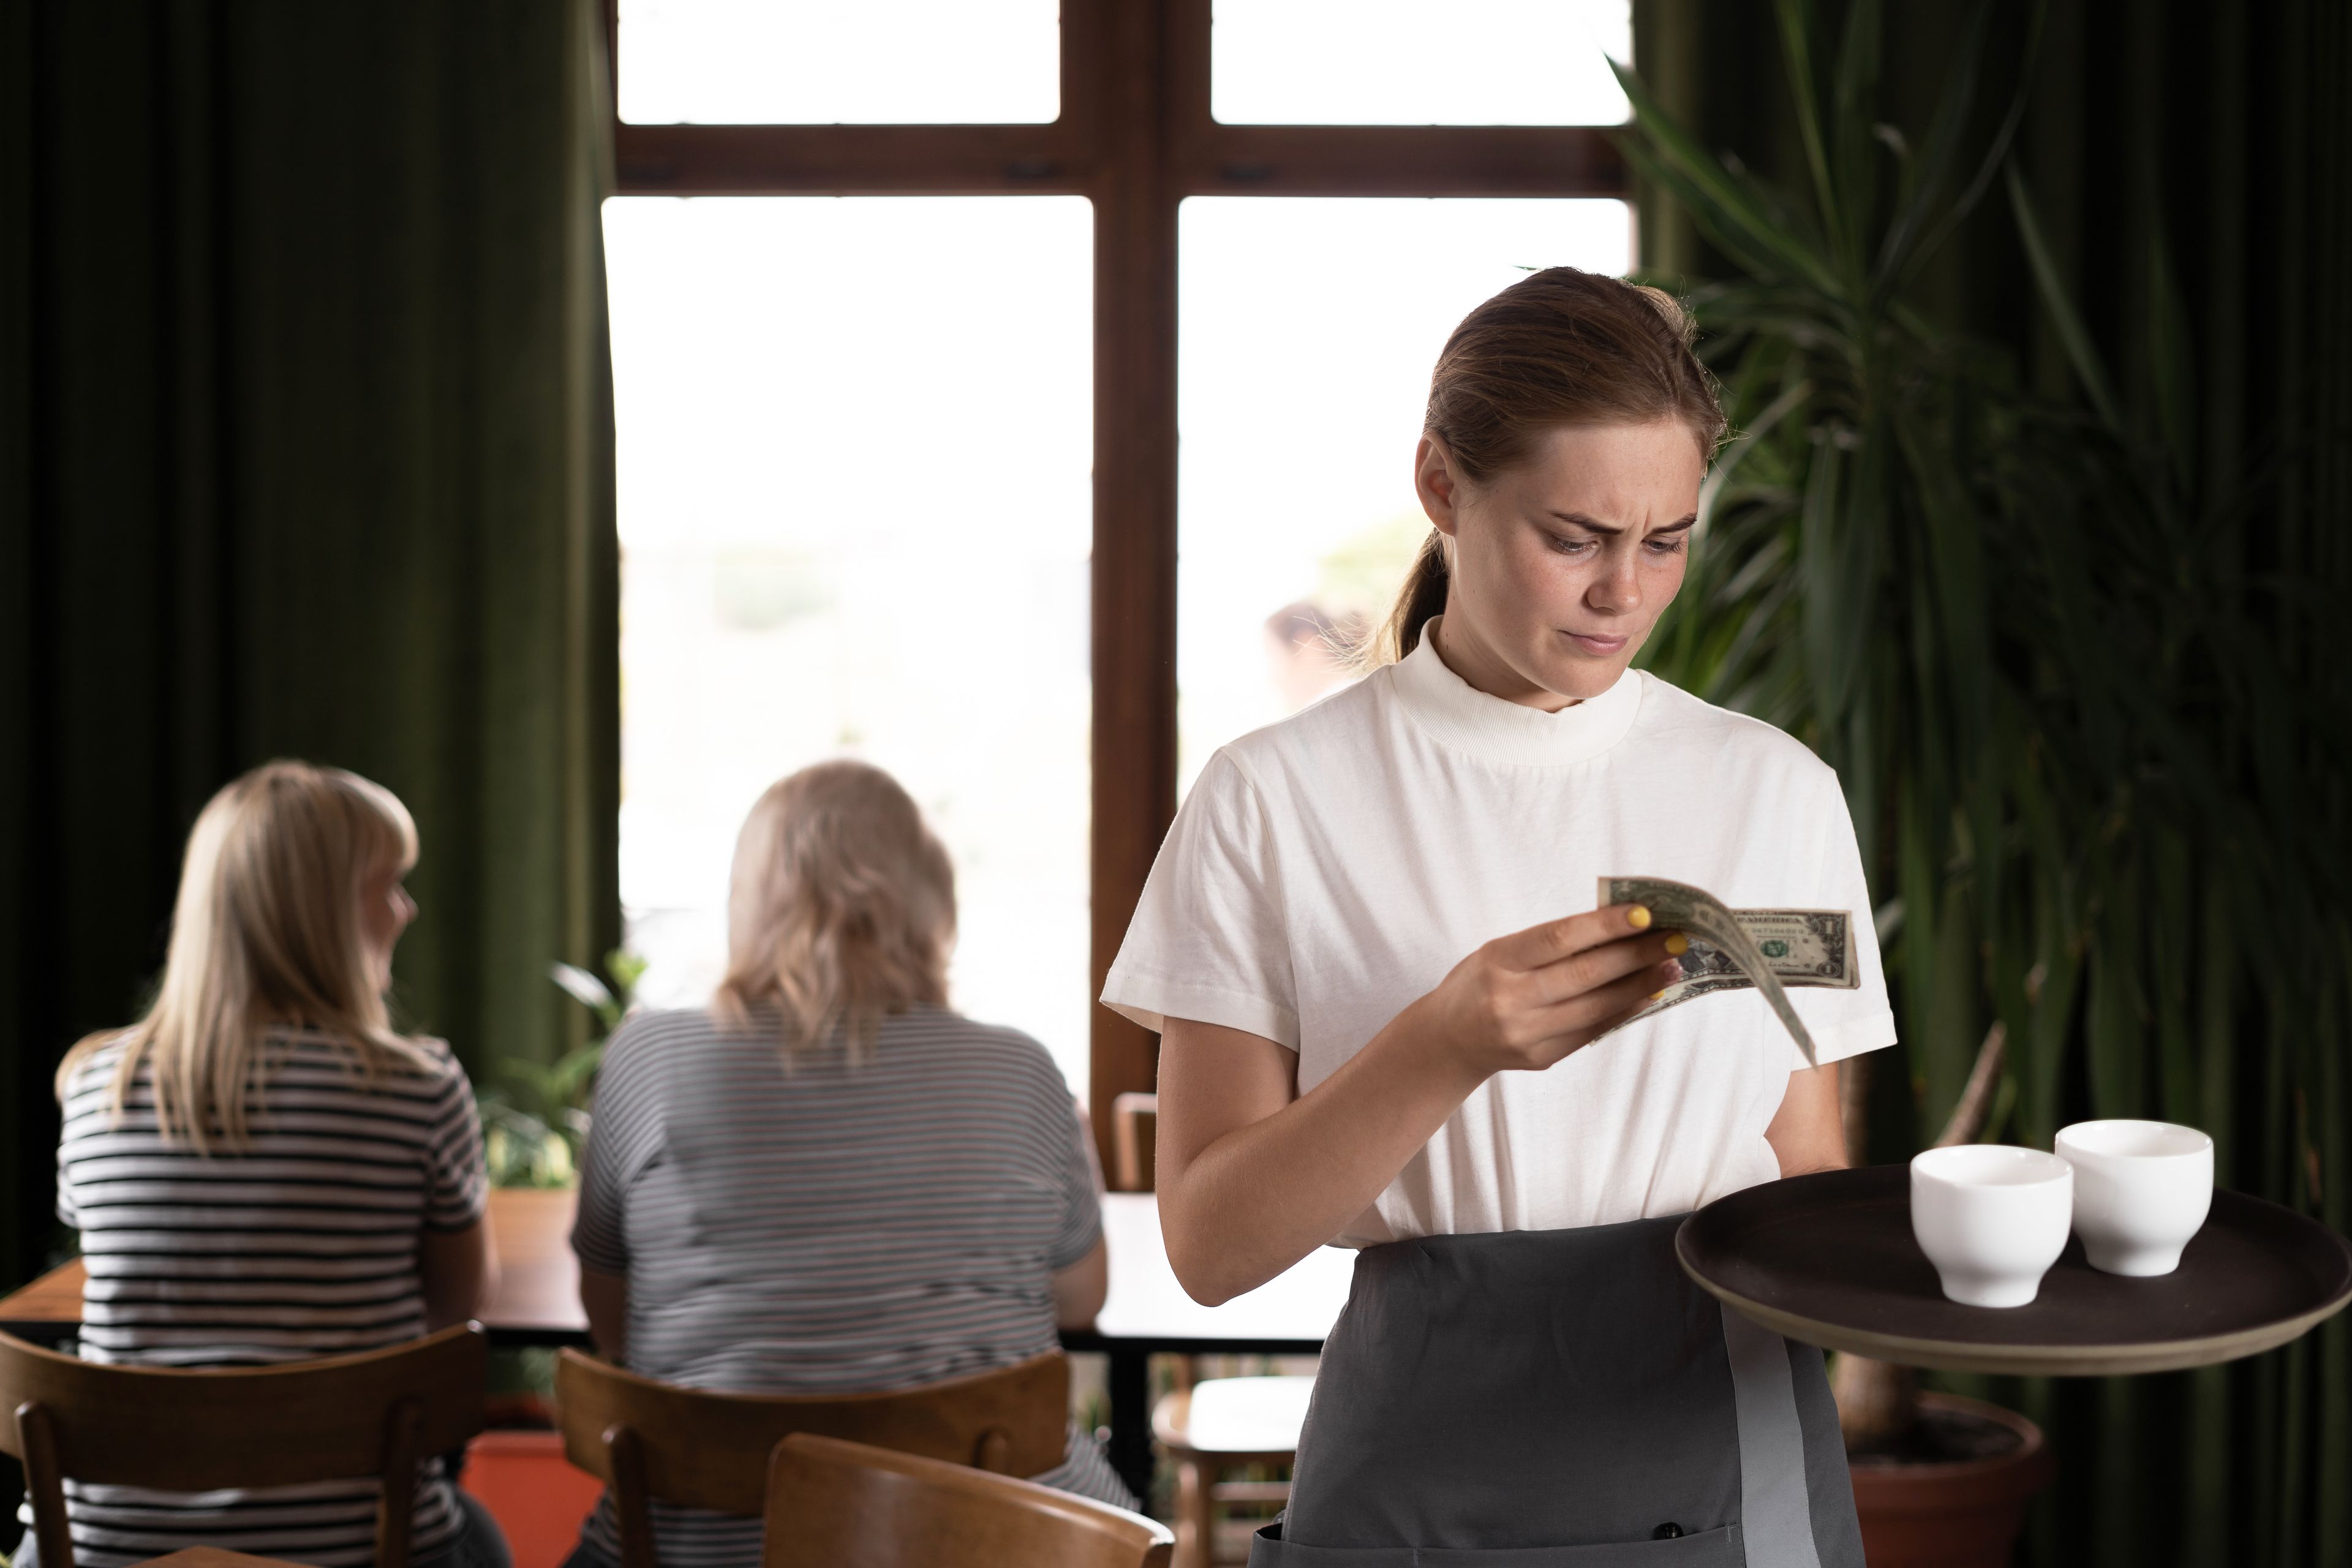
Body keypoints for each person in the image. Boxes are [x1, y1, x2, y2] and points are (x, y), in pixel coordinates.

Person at [1105, 266, 1896, 1565]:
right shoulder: (1273, 798)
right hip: (1421, 1474)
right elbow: (1206, 1244)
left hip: (1730, 1460)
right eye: (1575, 535)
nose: (1623, 594)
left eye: (1667, 538)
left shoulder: (1777, 792)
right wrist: (1444, 1044)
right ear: (1441, 487)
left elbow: (1805, 1166)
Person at [563, 760, 1129, 1568]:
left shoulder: (649, 1056)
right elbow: (1081, 1301)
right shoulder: (1020, 1069)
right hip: (991, 1539)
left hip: (697, 1549)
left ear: (749, 903)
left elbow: (612, 1320)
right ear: (932, 904)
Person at [43, 761, 507, 1568]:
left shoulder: (95, 1085)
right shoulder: (417, 1086)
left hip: (115, 1549)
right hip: (359, 1545)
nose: (407, 909)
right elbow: (454, 1325)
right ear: (324, 913)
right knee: (483, 1539)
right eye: (388, 884)